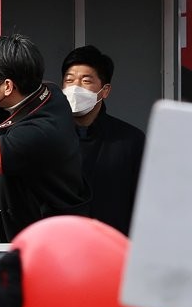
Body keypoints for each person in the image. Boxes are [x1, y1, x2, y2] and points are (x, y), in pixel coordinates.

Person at [0, 34, 90, 242]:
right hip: (43, 231)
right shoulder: (49, 93)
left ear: (8, 86)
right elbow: (3, 117)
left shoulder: (37, 133)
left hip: (49, 246)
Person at [61, 45, 145, 236]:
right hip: (60, 249)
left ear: (105, 90)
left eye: (86, 80)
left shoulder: (130, 140)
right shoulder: (48, 137)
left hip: (113, 249)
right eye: (69, 80)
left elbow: (143, 203)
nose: (75, 88)